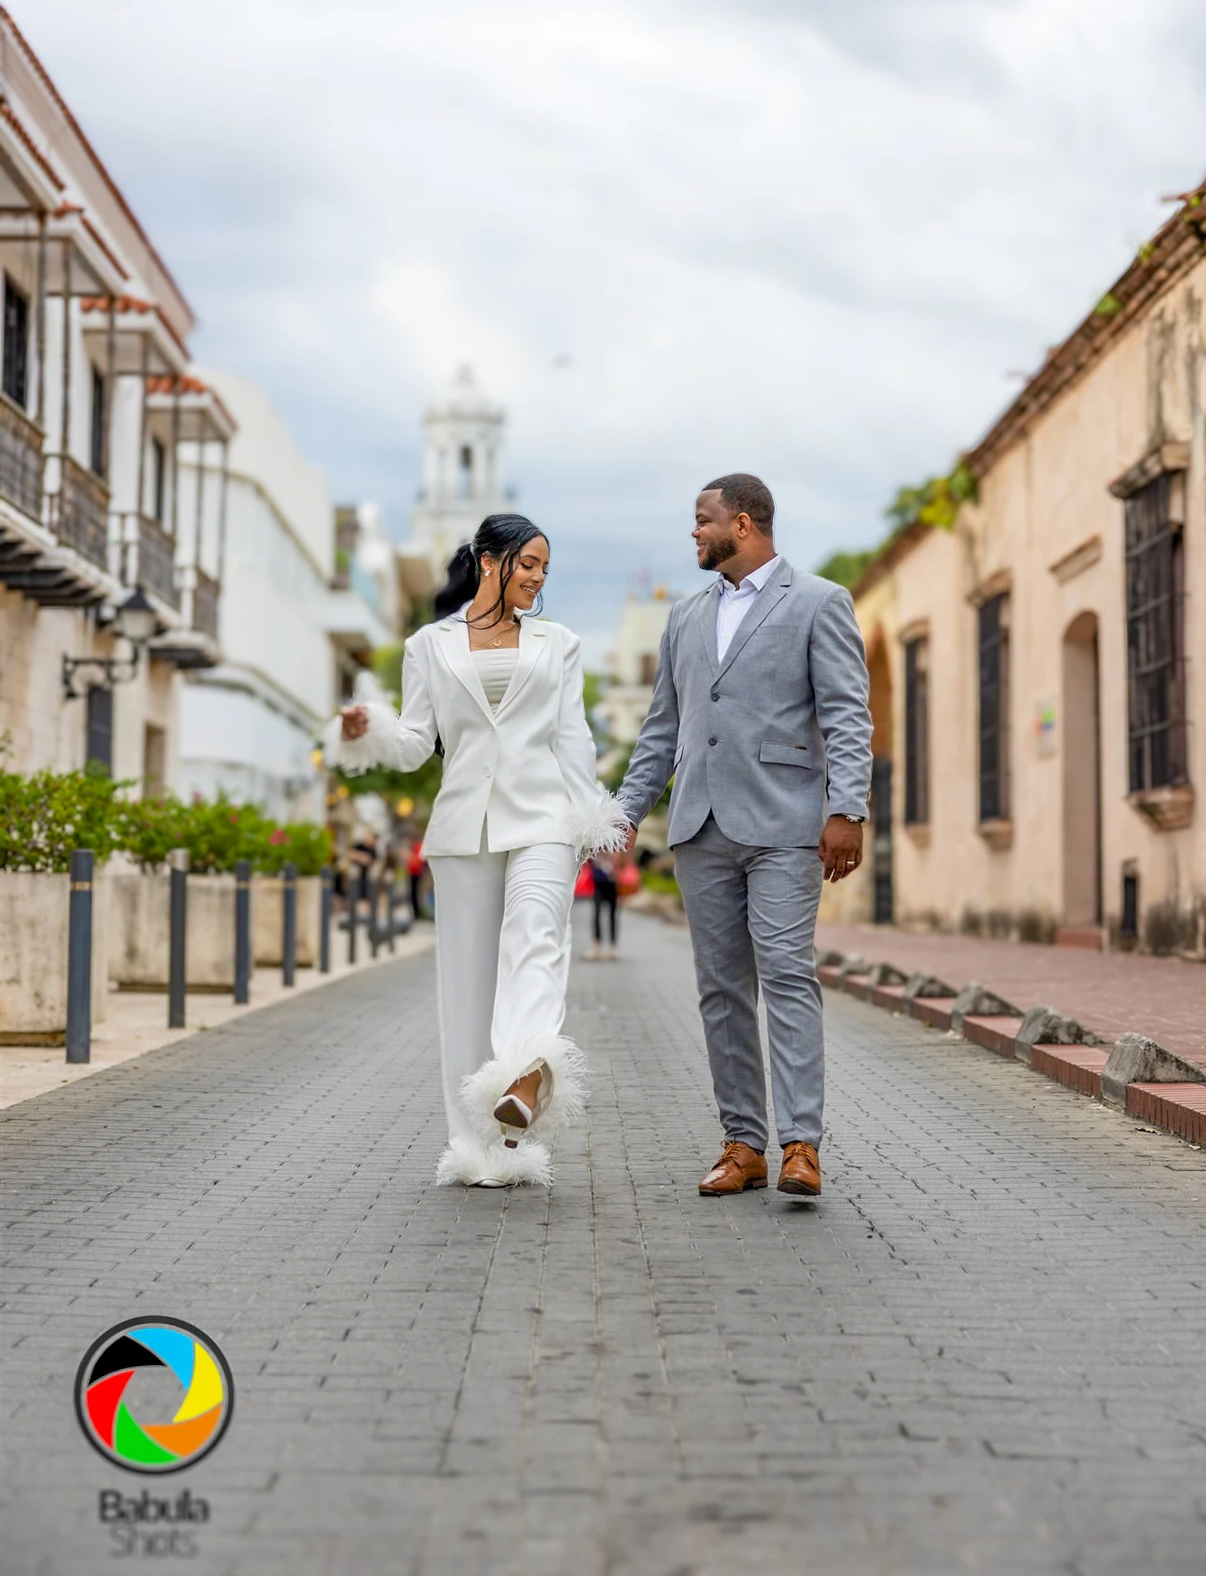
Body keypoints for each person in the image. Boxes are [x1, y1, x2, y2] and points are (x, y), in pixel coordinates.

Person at [325, 513, 627, 1188]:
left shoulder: (560, 643)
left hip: (545, 816)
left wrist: (594, 817)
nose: (539, 578)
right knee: (465, 986)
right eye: (529, 564)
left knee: (536, 937)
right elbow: (412, 745)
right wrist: (363, 726)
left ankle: (524, 1072)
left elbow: (572, 736)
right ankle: (478, 1147)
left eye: (546, 568)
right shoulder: (428, 646)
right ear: (489, 560)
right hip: (463, 829)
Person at [618, 474, 872, 1200]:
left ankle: (801, 1143)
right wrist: (624, 813)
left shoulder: (819, 601)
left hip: (786, 826)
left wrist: (845, 807)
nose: (693, 533)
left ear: (744, 521)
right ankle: (742, 1143)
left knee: (786, 972)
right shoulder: (684, 617)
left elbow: (846, 713)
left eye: (702, 520)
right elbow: (660, 729)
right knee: (721, 990)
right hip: (701, 827)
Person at [584, 850, 620, 961]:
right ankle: (597, 946)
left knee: (612, 915)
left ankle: (612, 947)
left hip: (612, 881)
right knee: (597, 914)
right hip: (598, 881)